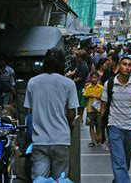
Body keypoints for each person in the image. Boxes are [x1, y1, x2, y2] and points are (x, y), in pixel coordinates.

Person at [24, 48, 79, 180]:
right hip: (61, 138)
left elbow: (30, 110)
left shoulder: (33, 82)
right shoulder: (68, 83)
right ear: (61, 63)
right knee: (59, 179)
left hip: (40, 140)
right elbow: (72, 114)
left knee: (39, 179)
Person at [99, 57, 131, 183]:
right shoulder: (109, 84)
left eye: (130, 65)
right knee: (119, 161)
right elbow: (103, 107)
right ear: (119, 66)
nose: (127, 67)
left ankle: (118, 180)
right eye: (124, 64)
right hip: (114, 126)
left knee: (125, 160)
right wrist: (100, 130)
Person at [66, 49, 89, 119]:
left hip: (81, 87)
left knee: (80, 105)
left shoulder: (84, 66)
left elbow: (80, 78)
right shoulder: (80, 64)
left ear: (80, 57)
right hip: (77, 87)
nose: (76, 57)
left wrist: (72, 81)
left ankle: (80, 118)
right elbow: (75, 71)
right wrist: (68, 74)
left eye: (77, 56)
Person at [83, 71, 104, 147]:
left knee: (98, 125)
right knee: (91, 125)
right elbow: (84, 96)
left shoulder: (101, 88)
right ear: (90, 78)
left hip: (98, 110)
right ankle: (92, 140)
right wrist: (89, 96)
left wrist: (100, 97)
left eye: (95, 77)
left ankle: (98, 137)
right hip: (90, 110)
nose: (94, 79)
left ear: (98, 78)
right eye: (92, 77)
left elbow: (104, 98)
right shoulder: (87, 87)